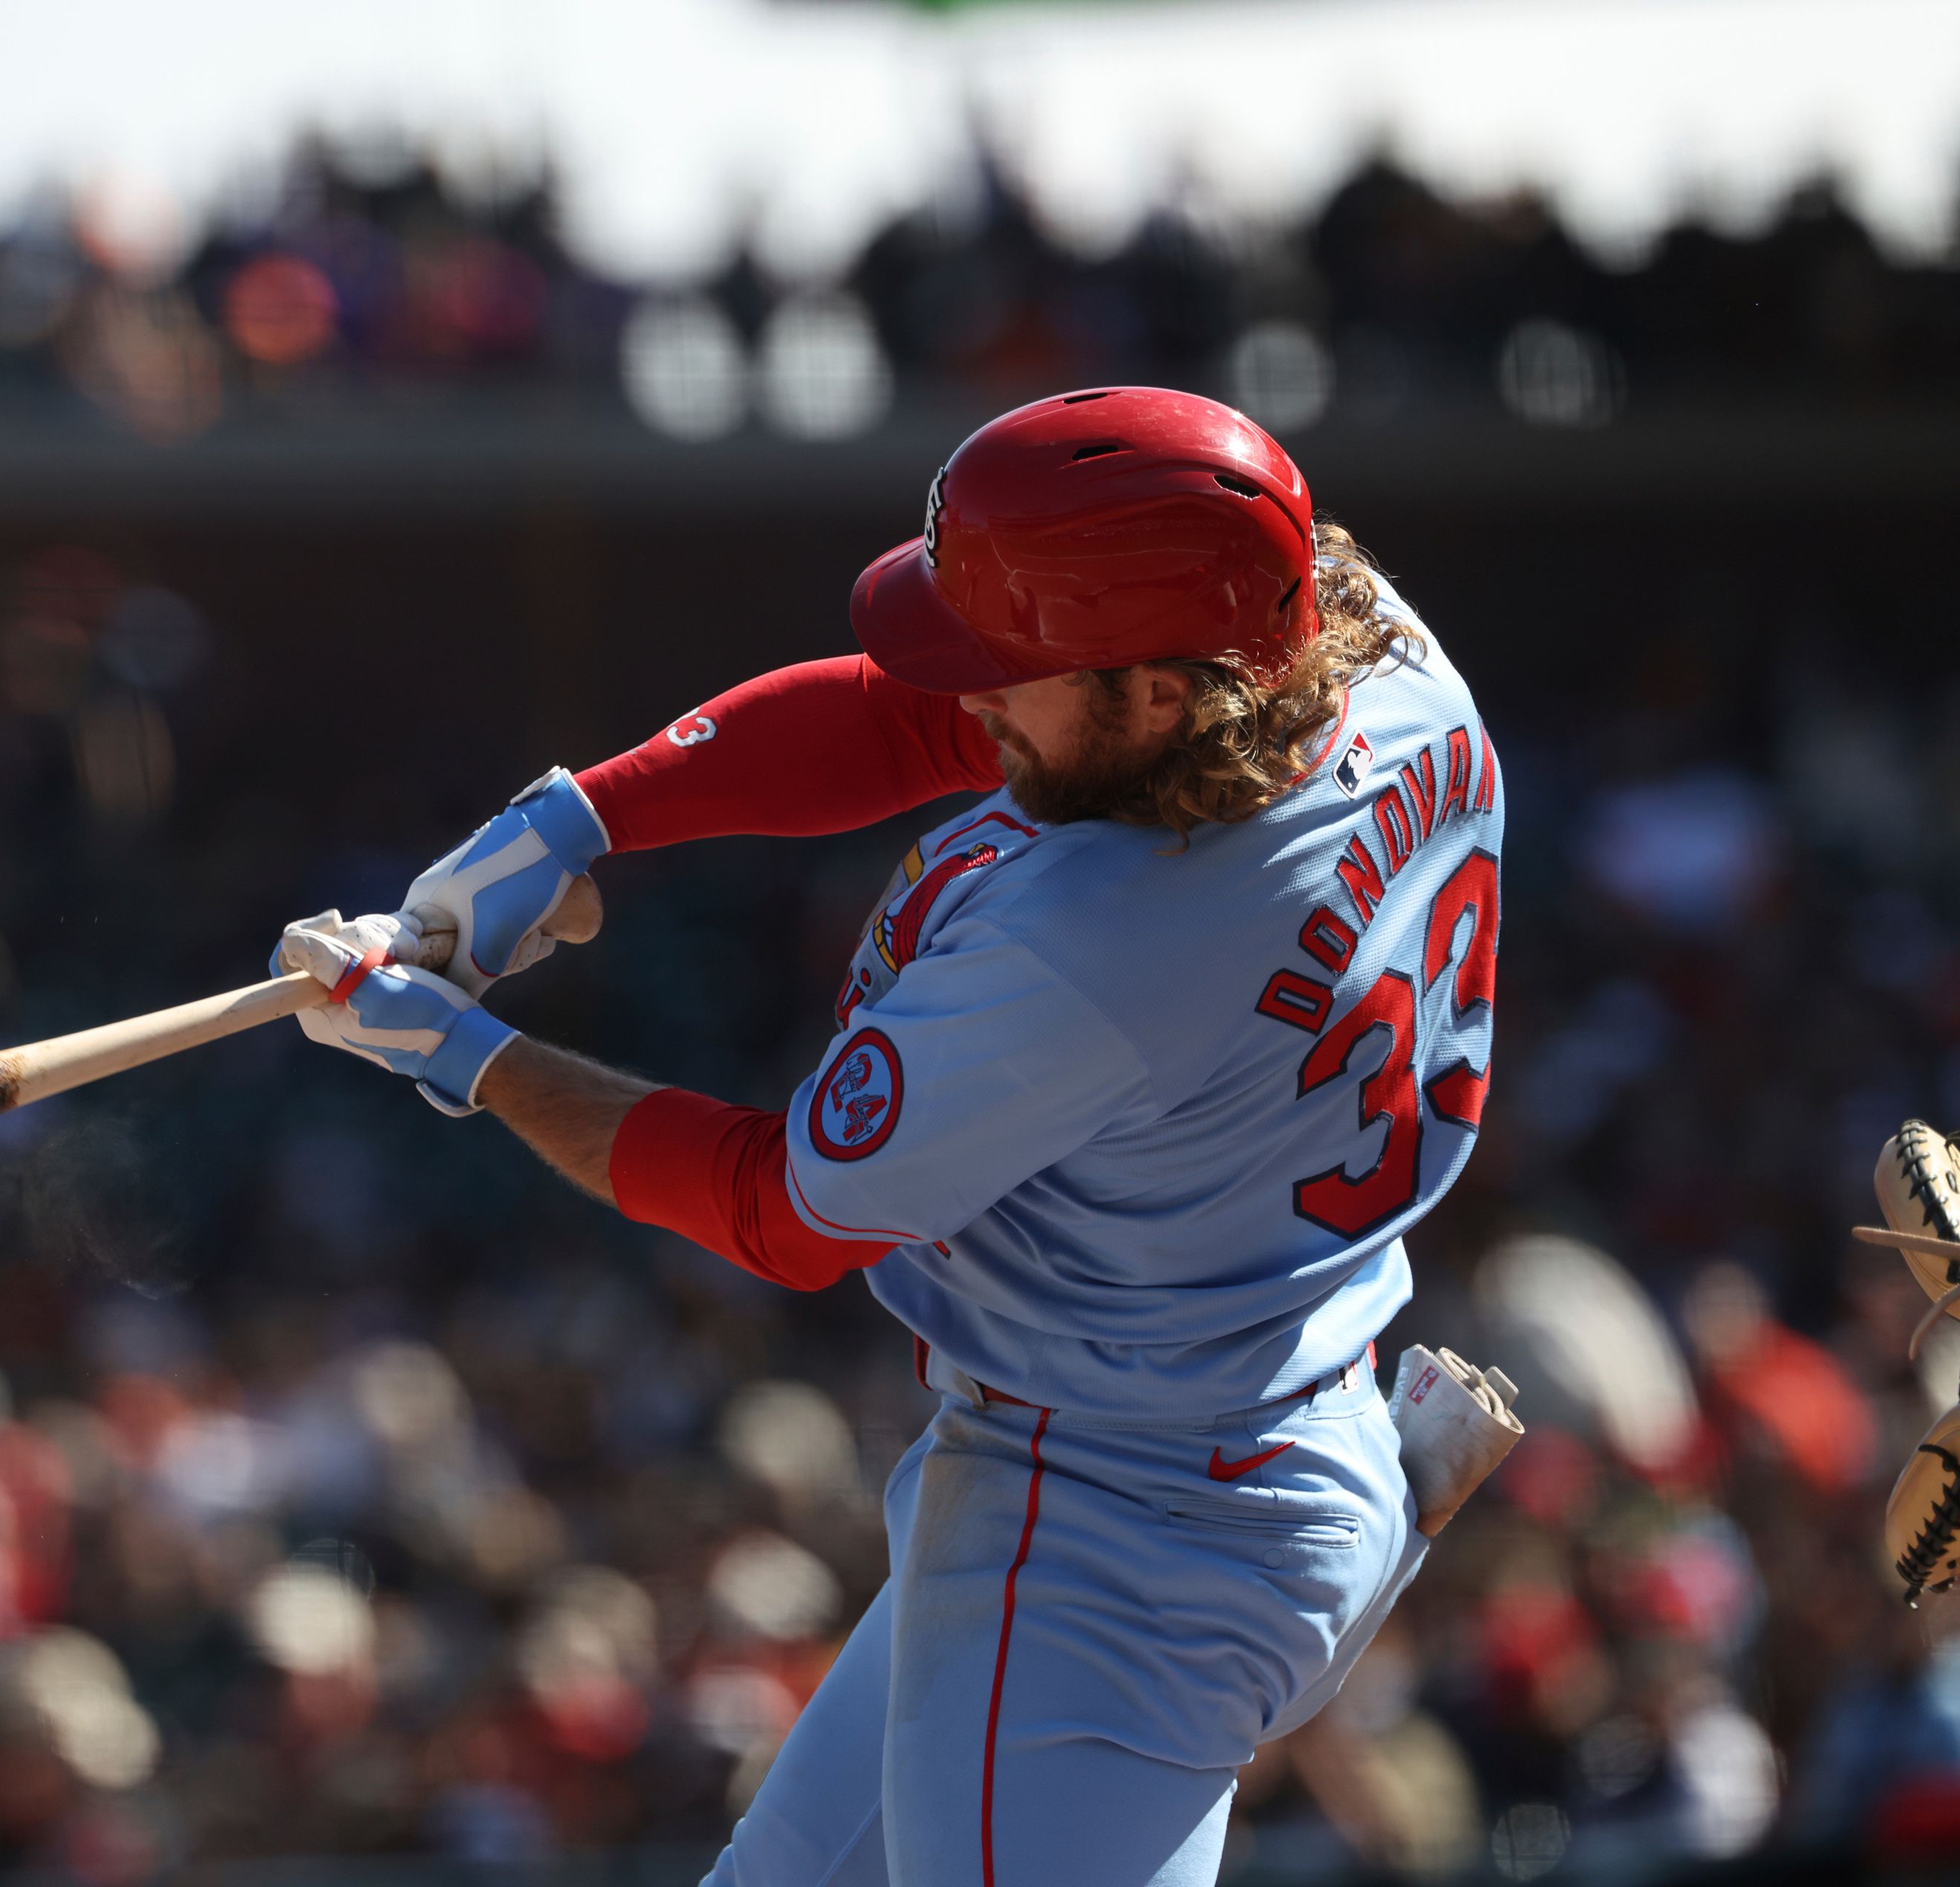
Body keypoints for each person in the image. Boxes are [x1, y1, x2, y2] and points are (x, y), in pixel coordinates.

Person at [273, 386, 1504, 1886]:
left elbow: (776, 1212)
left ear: (1164, 693)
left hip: (1112, 1549)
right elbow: (904, 710)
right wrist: (582, 819)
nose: (970, 692)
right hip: (1270, 1410)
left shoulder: (1103, 943)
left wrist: (464, 1053)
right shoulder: (1376, 656)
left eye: (1011, 666)